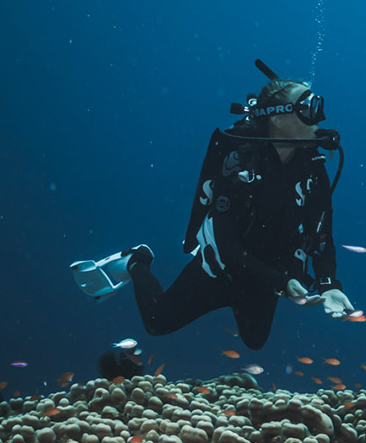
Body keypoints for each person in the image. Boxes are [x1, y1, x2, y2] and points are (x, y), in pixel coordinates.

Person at [123, 64, 353, 350]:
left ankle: (248, 296)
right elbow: (228, 246)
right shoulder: (240, 162)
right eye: (306, 107)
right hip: (219, 270)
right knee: (156, 322)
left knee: (255, 341)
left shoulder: (312, 168)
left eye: (316, 104)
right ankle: (136, 261)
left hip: (267, 274)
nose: (318, 116)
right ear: (278, 120)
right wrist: (282, 283)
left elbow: (321, 234)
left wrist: (329, 284)